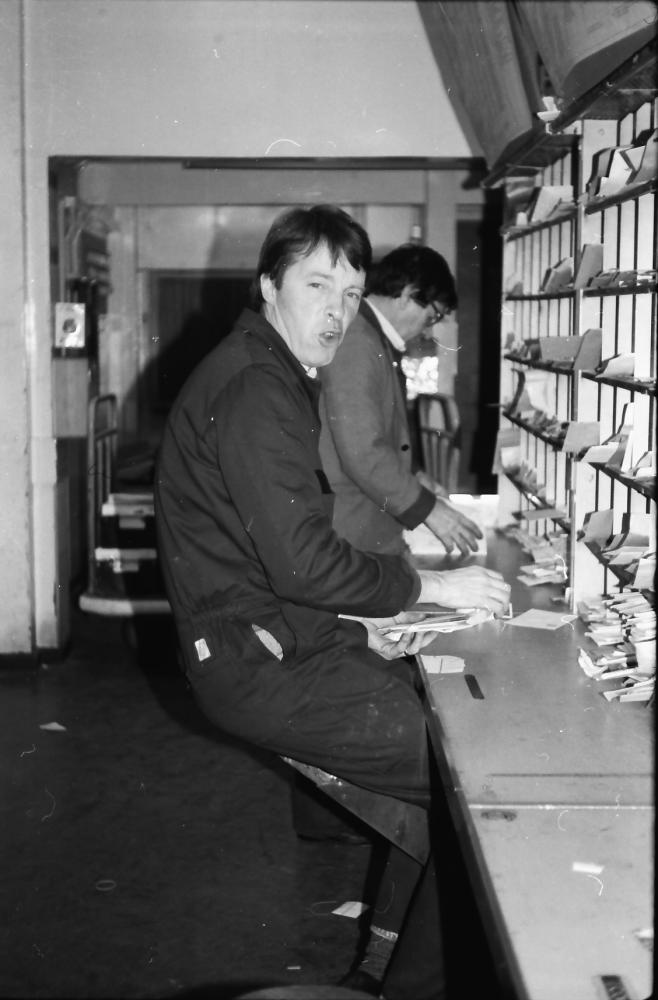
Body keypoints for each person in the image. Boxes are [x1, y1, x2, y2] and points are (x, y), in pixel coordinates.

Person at [154, 204, 510, 1000]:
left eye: (350, 294)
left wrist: (360, 622)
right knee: (472, 786)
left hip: (280, 641)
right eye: (316, 285)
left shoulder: (272, 373)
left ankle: (383, 970)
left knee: (436, 801)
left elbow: (270, 551)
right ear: (268, 287)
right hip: (265, 664)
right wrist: (428, 586)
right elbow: (304, 560)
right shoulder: (258, 387)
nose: (336, 310)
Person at [319, 242, 478, 560]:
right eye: (432, 317)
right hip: (353, 532)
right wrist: (429, 510)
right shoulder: (356, 341)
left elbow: (377, 434)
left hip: (363, 525)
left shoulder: (370, 337)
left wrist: (416, 477)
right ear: (407, 293)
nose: (426, 330)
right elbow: (362, 451)